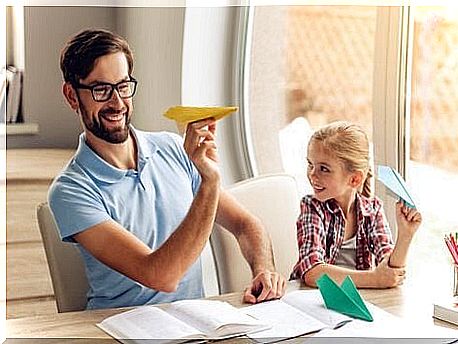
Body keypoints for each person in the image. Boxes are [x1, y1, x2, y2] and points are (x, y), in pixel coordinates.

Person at [49, 28, 286, 310]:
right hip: (121, 328)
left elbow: (246, 225)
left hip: (194, 322)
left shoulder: (173, 148)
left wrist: (263, 269)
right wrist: (209, 183)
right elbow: (160, 276)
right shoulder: (70, 190)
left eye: (123, 86)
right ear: (72, 96)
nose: (117, 103)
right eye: (101, 90)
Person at [290, 121, 422, 288]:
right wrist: (374, 279)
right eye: (310, 165)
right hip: (312, 299)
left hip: (357, 299)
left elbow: (390, 272)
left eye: (323, 169)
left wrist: (405, 235)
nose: (312, 175)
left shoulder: (372, 210)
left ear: (355, 179)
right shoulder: (312, 207)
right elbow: (313, 273)